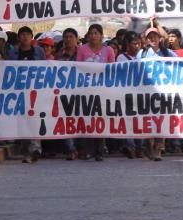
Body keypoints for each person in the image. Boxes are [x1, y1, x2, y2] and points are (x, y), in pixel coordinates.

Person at [77, 23, 115, 161]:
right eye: (91, 33)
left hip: (103, 90)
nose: (93, 36)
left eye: (96, 33)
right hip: (86, 90)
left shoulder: (109, 50)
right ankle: (88, 150)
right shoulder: (82, 49)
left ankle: (99, 150)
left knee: (100, 120)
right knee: (87, 119)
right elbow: (78, 68)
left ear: (101, 35)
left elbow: (113, 70)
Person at [7, 27, 46, 162]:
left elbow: (44, 69)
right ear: (19, 37)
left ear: (31, 37)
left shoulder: (39, 52)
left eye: (27, 35)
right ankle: (26, 150)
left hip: (35, 91)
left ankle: (35, 149)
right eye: (22, 34)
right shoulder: (13, 53)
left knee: (34, 119)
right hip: (19, 92)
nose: (25, 37)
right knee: (23, 120)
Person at [137, 21, 175, 159]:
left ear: (160, 38)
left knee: (161, 120)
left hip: (163, 92)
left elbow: (180, 65)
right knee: (147, 120)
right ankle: (148, 146)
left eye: (155, 36)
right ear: (146, 40)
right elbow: (134, 70)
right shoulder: (142, 54)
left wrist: (156, 22)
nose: (152, 39)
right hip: (146, 92)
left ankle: (158, 148)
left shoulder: (167, 53)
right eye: (149, 37)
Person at [117, 32, 145, 159]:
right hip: (126, 94)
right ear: (127, 45)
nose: (137, 46)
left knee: (140, 121)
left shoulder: (144, 56)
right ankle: (130, 146)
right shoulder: (121, 58)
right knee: (128, 121)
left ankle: (140, 147)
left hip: (141, 94)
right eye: (134, 43)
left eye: (139, 43)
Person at [55, 28, 80, 160]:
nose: (68, 40)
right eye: (66, 37)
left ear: (77, 39)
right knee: (66, 121)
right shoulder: (58, 56)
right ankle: (71, 149)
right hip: (65, 94)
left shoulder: (83, 53)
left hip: (82, 92)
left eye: (71, 37)